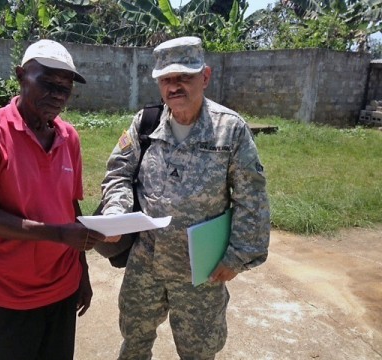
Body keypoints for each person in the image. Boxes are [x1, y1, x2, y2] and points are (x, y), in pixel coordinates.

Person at [100, 36, 270, 359]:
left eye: (184, 77)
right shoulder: (145, 123)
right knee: (134, 340)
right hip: (146, 262)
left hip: (201, 272)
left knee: (199, 351)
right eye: (166, 79)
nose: (174, 86)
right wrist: (116, 213)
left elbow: (253, 198)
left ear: (205, 76)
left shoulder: (229, 130)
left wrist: (237, 255)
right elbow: (118, 172)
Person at [0, 39, 107, 360]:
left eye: (64, 89)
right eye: (47, 83)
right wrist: (58, 233)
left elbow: (71, 206)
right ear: (21, 75)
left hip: (62, 288)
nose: (57, 95)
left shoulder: (69, 137)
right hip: (6, 293)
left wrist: (82, 273)